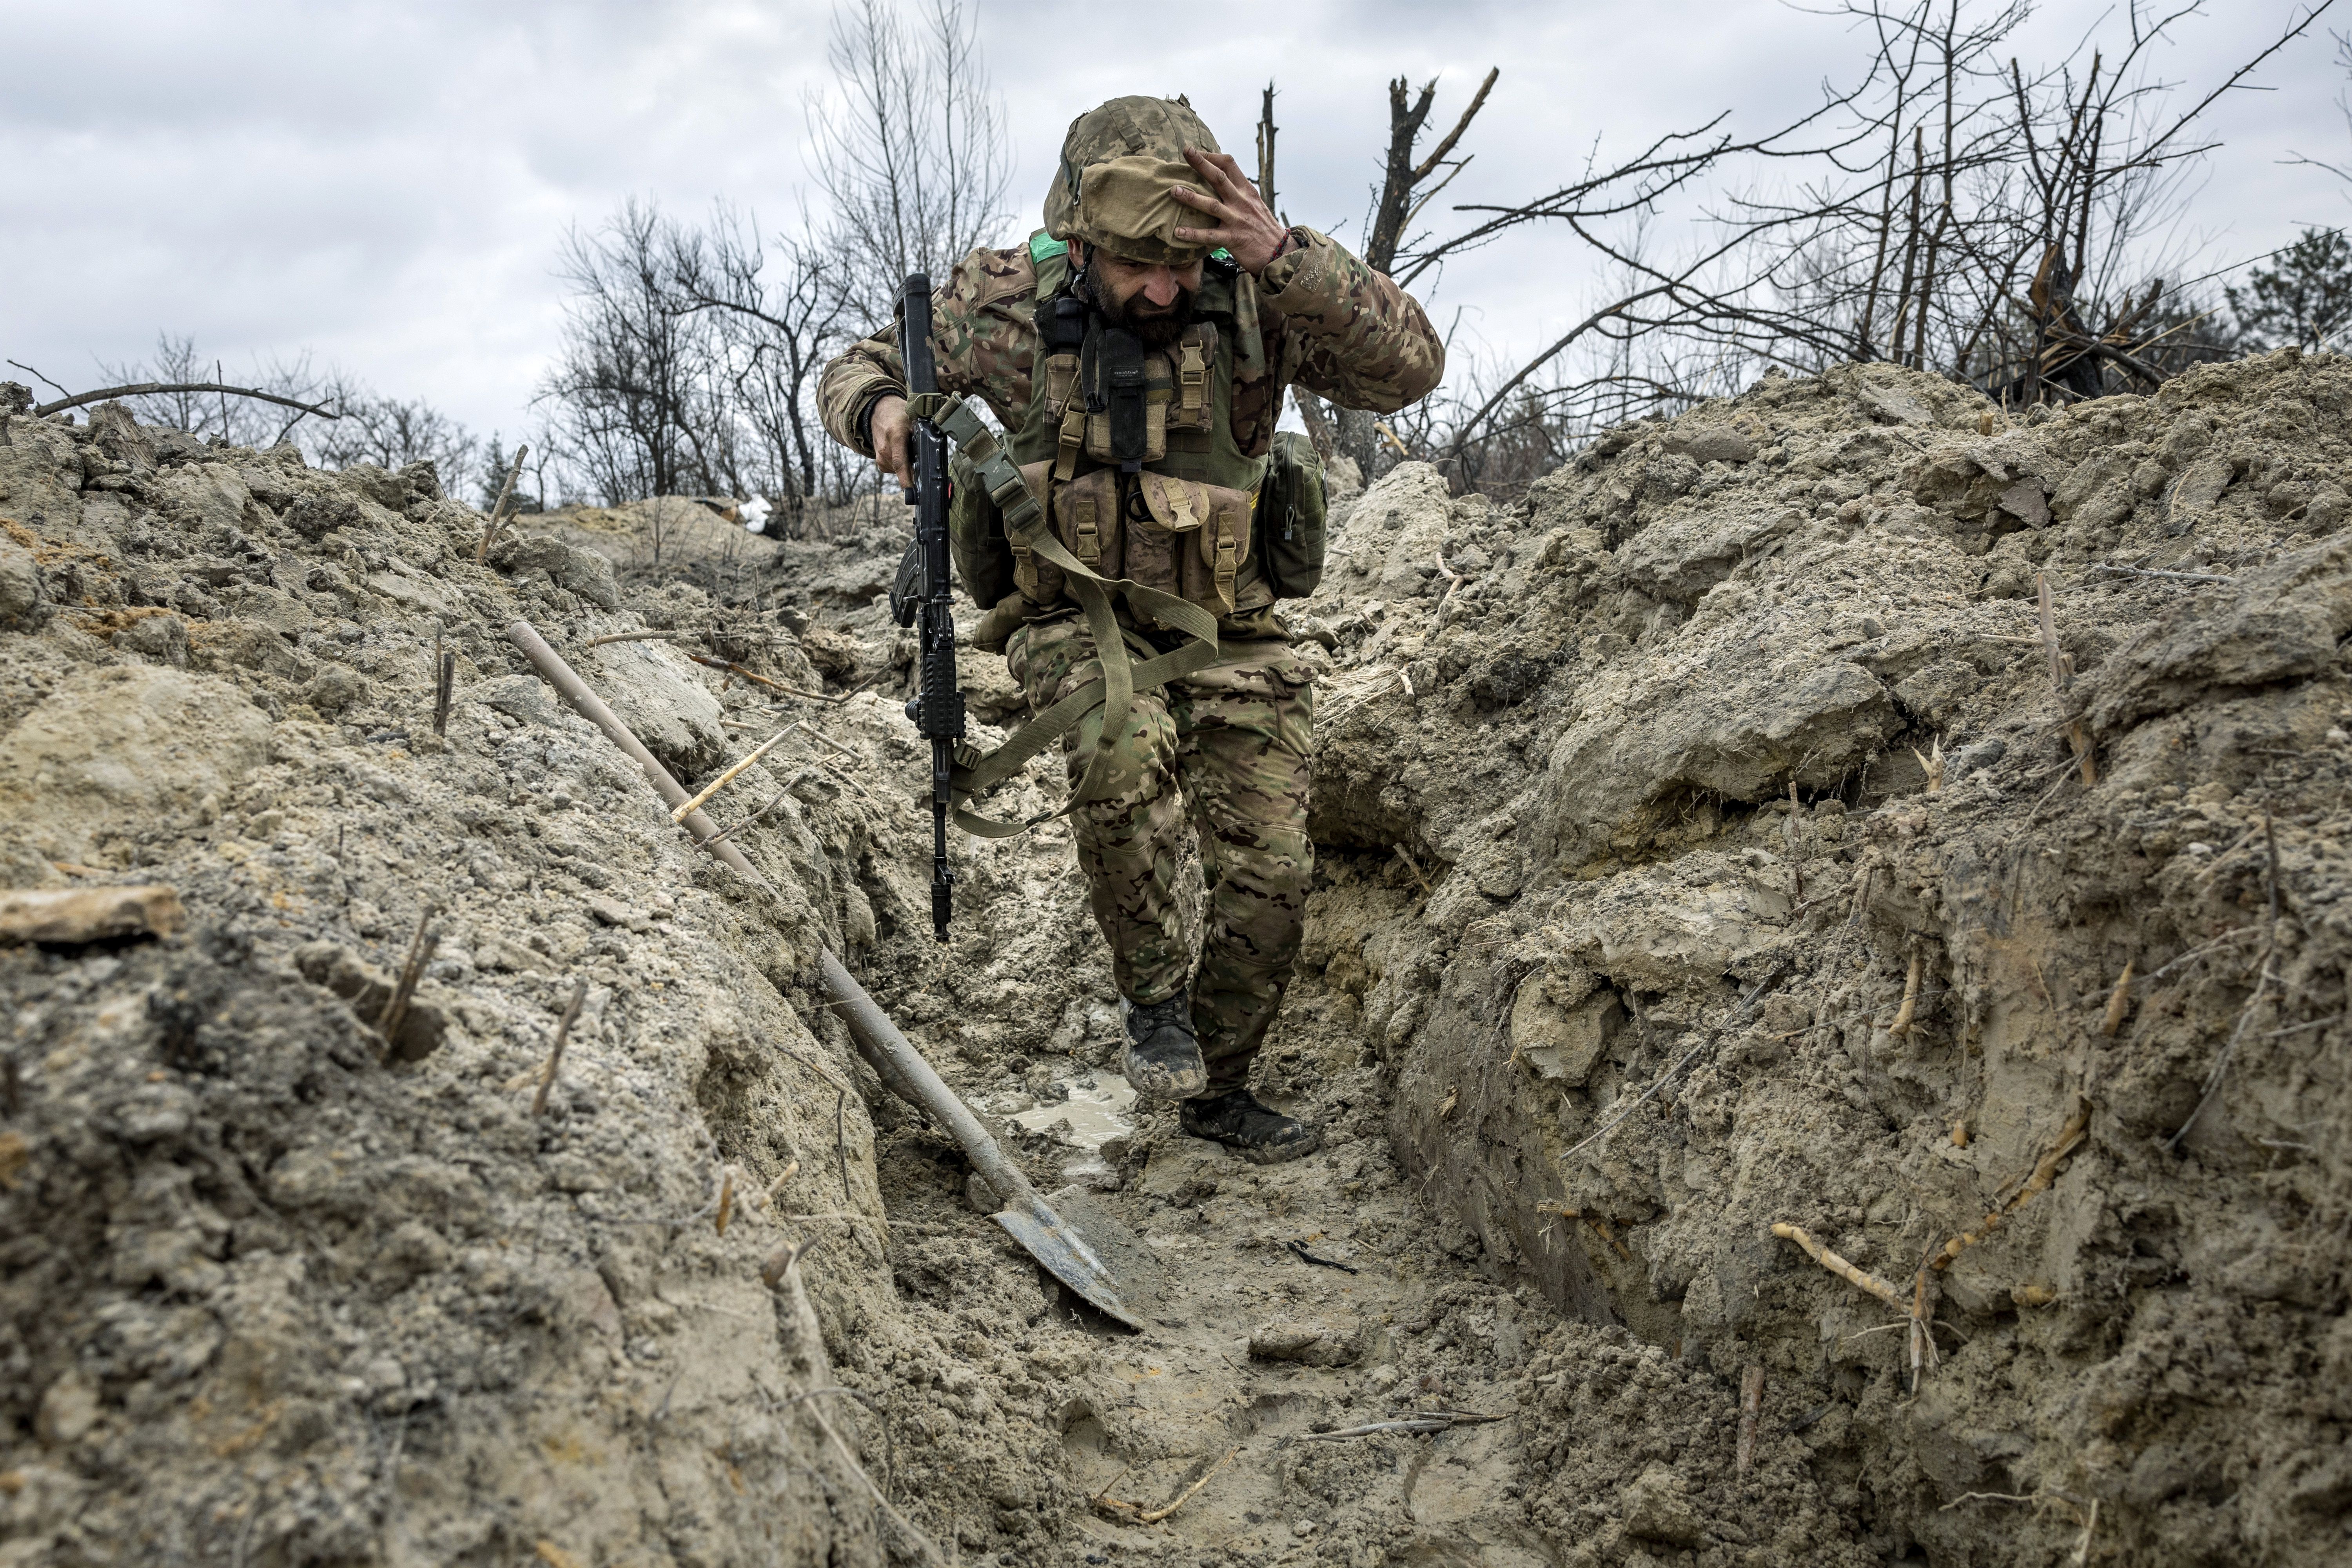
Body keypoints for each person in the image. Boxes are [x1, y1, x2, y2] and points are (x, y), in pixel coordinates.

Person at [818, 94, 1443, 1163]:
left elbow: (1412, 368)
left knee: (1274, 870)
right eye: (1138, 265)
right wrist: (878, 408)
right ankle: (1152, 999)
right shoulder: (1005, 306)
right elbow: (855, 367)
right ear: (1080, 241)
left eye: (1183, 263)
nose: (1164, 288)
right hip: (1072, 615)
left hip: (1231, 627)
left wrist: (1288, 258)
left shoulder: (1257, 291)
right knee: (1120, 742)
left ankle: (1221, 1083)